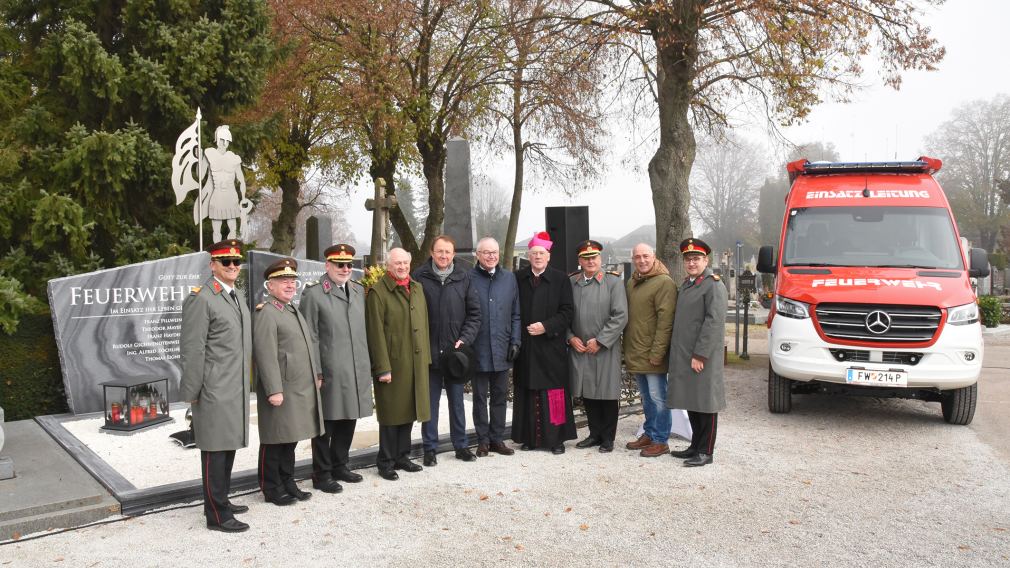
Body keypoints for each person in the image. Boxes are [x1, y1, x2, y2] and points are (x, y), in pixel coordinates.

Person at [180, 239, 252, 533]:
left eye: (237, 262)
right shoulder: (202, 298)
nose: (233, 266)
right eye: (226, 262)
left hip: (234, 388)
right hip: (213, 389)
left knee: (229, 445)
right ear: (213, 265)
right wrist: (192, 393)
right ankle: (216, 514)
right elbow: (192, 349)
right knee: (214, 450)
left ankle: (221, 498)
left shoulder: (236, 295)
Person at [300, 244, 373, 492]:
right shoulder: (315, 293)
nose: (345, 269)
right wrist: (316, 371)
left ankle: (340, 464)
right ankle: (321, 473)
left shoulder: (357, 290)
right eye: (339, 264)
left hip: (354, 368)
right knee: (326, 423)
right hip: (330, 370)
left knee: (349, 417)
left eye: (348, 265)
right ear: (327, 266)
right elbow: (309, 336)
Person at [254, 258, 325, 504]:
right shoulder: (267, 313)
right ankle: (271, 488)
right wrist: (273, 389)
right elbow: (265, 354)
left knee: (290, 439)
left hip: (296, 387)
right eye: (283, 281)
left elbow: (306, 346)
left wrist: (316, 374)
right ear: (269, 285)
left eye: (292, 280)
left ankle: (287, 481)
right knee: (275, 440)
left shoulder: (292, 309)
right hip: (281, 388)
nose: (289, 285)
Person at [412, 235, 481, 465]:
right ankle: (430, 449)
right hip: (429, 352)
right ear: (432, 253)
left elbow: (474, 314)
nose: (443, 256)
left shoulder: (464, 277)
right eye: (439, 251)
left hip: (455, 353)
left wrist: (464, 339)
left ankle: (461, 445)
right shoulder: (419, 277)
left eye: (448, 252)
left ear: (453, 254)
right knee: (430, 404)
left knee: (457, 402)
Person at [365, 248, 431, 480]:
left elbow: (423, 324)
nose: (402, 267)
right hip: (393, 362)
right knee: (391, 414)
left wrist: (426, 360)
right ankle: (385, 461)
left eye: (405, 263)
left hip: (415, 361)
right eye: (397, 264)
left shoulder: (416, 287)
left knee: (409, 410)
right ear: (388, 266)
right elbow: (375, 333)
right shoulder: (378, 292)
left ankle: (403, 456)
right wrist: (382, 367)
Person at [512, 232, 577, 454]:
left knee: (554, 393)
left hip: (551, 346)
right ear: (528, 256)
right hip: (527, 347)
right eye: (534, 253)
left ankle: (556, 439)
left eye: (542, 253)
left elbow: (567, 312)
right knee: (528, 392)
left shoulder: (560, 279)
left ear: (548, 256)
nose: (538, 257)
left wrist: (546, 326)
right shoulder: (519, 278)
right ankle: (530, 437)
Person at [667, 238, 727, 467]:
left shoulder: (713, 284)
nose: (692, 263)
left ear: (706, 260)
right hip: (685, 354)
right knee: (692, 400)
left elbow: (713, 323)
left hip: (702, 356)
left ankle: (706, 451)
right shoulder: (689, 284)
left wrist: (700, 355)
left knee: (706, 403)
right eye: (688, 259)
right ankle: (695, 446)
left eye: (696, 259)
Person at [568, 240, 628, 453]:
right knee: (588, 393)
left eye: (594, 257)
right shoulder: (572, 282)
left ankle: (608, 438)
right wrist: (570, 337)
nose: (590, 261)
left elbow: (620, 315)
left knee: (607, 393)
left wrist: (601, 340)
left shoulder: (613, 283)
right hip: (580, 348)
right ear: (580, 261)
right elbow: (564, 313)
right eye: (586, 257)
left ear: (600, 259)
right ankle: (594, 434)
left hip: (605, 348)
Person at [623, 243, 678, 457]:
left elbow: (666, 321)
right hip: (637, 351)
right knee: (646, 398)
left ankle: (661, 439)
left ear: (654, 257)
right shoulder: (633, 282)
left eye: (646, 256)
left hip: (653, 353)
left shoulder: (664, 283)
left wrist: (658, 352)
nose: (642, 260)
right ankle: (650, 432)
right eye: (637, 257)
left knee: (658, 398)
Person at [469, 237, 521, 457]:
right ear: (477, 255)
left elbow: (516, 313)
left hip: (502, 347)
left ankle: (497, 439)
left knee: (500, 396)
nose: (491, 256)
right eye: (486, 252)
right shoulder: (468, 278)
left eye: (494, 252)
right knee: (480, 398)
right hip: (478, 348)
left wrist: (515, 340)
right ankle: (482, 440)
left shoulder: (509, 278)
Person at [201, 125, 248, 242]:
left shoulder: (234, 158)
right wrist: (198, 158)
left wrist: (243, 197)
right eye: (222, 140)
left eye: (227, 141)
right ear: (217, 140)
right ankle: (217, 255)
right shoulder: (209, 154)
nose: (224, 143)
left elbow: (241, 180)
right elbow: (200, 174)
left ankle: (230, 253)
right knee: (216, 230)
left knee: (232, 227)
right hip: (217, 195)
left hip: (231, 195)